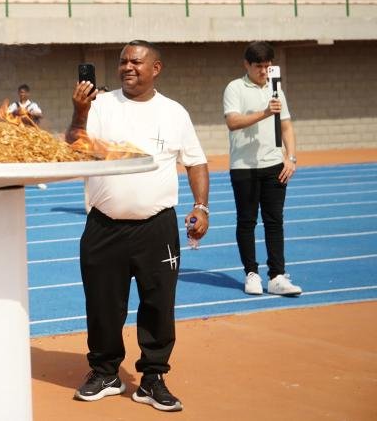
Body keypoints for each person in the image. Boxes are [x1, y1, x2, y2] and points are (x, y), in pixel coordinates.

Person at [66, 40, 209, 413]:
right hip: (103, 227)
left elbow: (195, 162)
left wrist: (201, 207)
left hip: (156, 228)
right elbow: (75, 147)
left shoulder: (174, 112)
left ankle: (152, 379)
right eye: (123, 61)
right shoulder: (99, 103)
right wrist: (80, 111)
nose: (128, 67)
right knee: (102, 305)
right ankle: (105, 372)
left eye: (136, 62)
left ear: (156, 68)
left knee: (158, 305)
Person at [223, 41, 302, 297]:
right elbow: (233, 122)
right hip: (244, 167)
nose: (264, 71)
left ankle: (277, 276)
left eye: (268, 66)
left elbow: (287, 125)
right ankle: (252, 274)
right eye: (259, 66)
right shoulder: (234, 88)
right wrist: (265, 112)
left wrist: (291, 158)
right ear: (247, 64)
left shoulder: (276, 88)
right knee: (247, 221)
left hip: (274, 165)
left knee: (274, 221)